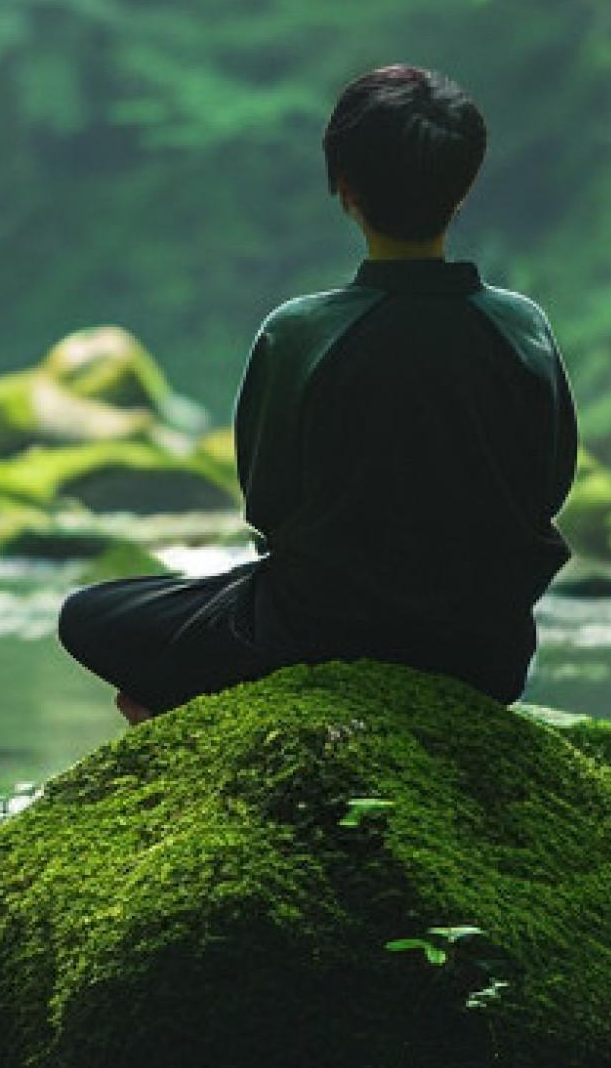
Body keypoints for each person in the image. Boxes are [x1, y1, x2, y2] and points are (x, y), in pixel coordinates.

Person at [57, 64, 579, 720]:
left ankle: (207, 740)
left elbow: (268, 501)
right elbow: (547, 487)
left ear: (344, 186)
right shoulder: (519, 327)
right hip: (487, 656)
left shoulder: (302, 332)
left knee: (90, 613)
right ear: (463, 188)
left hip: (313, 639)